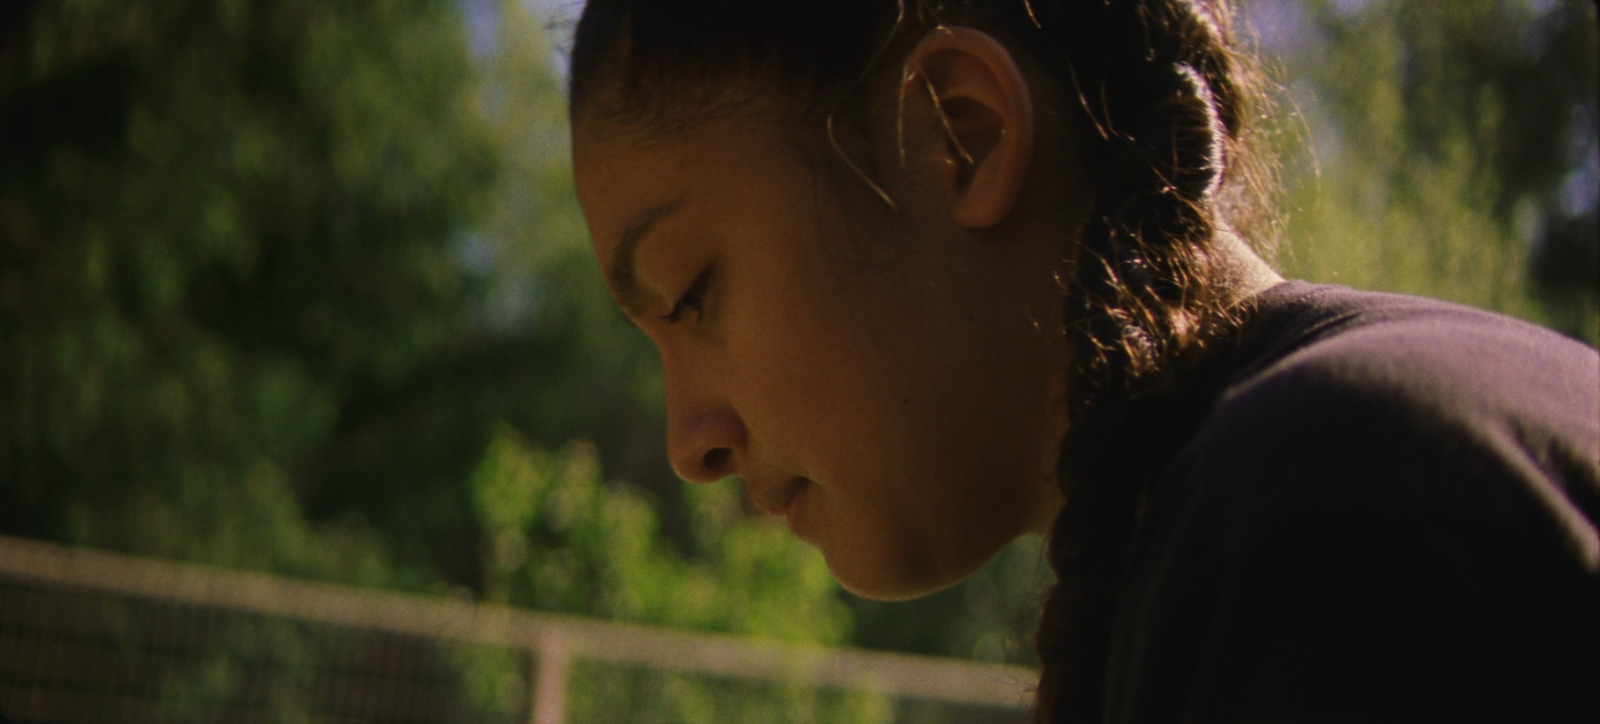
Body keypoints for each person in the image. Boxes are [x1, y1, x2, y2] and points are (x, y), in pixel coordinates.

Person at [564, 1, 1600, 721]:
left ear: (956, 134)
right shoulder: (1267, 496)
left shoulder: (1335, 502)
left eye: (693, 293)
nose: (686, 443)